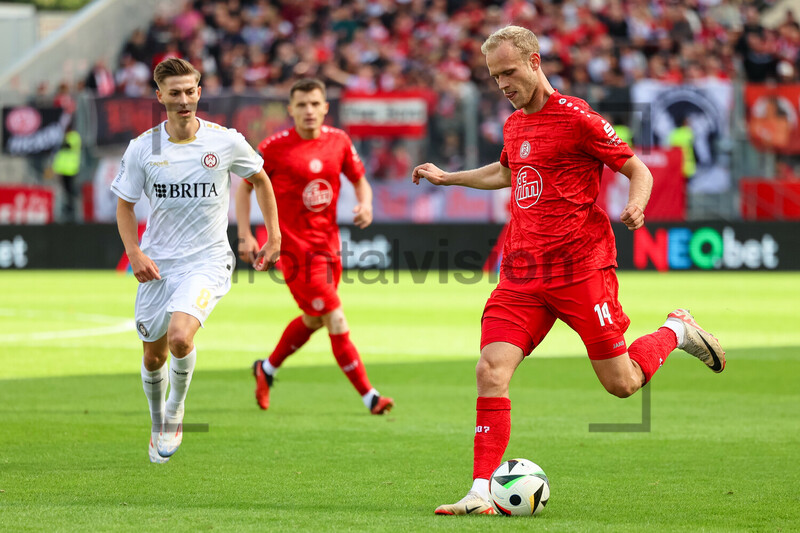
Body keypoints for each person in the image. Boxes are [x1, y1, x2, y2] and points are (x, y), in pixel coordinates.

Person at [412, 26, 726, 516]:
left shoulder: (578, 117)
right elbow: (506, 172)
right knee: (490, 370)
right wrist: (447, 176)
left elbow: (636, 168)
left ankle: (676, 330)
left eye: (510, 72)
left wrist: (637, 206)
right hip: (521, 274)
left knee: (621, 384)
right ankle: (480, 491)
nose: (504, 84)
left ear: (535, 62)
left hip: (582, 271)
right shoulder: (515, 124)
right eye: (496, 78)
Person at [111, 58, 281, 464]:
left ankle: (175, 410)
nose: (184, 100)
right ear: (160, 97)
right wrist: (134, 253)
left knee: (180, 338)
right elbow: (125, 205)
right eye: (175, 93)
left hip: (207, 259)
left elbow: (259, 179)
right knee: (154, 356)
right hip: (158, 264)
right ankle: (157, 419)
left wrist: (272, 233)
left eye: (190, 91)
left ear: (199, 93)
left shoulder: (225, 140)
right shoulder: (144, 147)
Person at [236, 78, 394, 416]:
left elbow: (359, 179)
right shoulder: (274, 146)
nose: (308, 110)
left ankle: (266, 369)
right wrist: (247, 234)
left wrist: (366, 204)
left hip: (329, 248)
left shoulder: (338, 141)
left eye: (314, 104)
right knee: (334, 318)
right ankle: (370, 396)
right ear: (290, 110)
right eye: (301, 105)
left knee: (313, 319)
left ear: (325, 107)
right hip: (293, 252)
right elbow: (245, 188)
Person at [52, 125, 81, 222]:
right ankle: (66, 208)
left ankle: (72, 210)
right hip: (62, 170)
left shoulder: (74, 136)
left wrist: (60, 139)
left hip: (71, 170)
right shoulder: (62, 137)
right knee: (64, 191)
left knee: (71, 190)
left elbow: (68, 146)